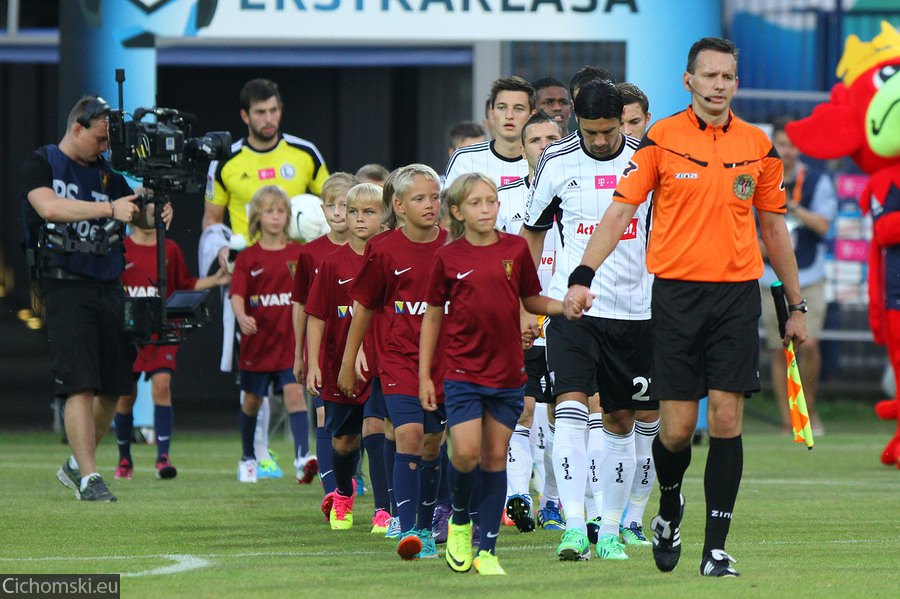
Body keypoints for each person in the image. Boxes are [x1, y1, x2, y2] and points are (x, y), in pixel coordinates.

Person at [564, 37, 807, 577]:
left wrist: (796, 305)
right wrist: (583, 276)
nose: (720, 85)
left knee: (724, 417)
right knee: (674, 431)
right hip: (674, 297)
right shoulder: (661, 139)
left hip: (737, 297)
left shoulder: (758, 145)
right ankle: (668, 505)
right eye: (710, 76)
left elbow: (774, 228)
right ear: (689, 81)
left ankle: (715, 548)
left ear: (735, 84)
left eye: (728, 77)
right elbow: (620, 212)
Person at [522, 80, 655, 562]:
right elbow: (532, 236)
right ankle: (575, 528)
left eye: (607, 131)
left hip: (636, 312)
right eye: (589, 131)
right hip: (571, 309)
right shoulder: (556, 162)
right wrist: (526, 302)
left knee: (621, 420)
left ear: (623, 119)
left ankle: (614, 529)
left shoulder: (649, 158)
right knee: (571, 409)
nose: (599, 141)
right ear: (575, 120)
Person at [420, 172, 564, 576]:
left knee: (494, 456)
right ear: (457, 211)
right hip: (462, 372)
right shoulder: (447, 257)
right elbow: (432, 318)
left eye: (491, 201)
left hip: (507, 374)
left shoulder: (516, 249)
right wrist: (424, 377)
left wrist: (561, 306)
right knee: (464, 453)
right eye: (476, 203)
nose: (486, 209)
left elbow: (530, 298)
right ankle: (461, 521)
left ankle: (487, 551)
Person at [205, 78, 329, 478]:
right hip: (251, 274)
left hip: (295, 275)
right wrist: (222, 249)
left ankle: (298, 455)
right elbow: (211, 222)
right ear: (245, 116)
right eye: (260, 112)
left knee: (295, 379)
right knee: (253, 387)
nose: (269, 118)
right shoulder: (225, 161)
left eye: (274, 110)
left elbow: (333, 205)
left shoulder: (305, 154)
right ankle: (255, 455)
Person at [22, 95, 141, 501]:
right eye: (101, 139)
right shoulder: (43, 162)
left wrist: (153, 208)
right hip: (63, 282)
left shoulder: (108, 173)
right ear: (77, 128)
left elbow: (136, 211)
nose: (105, 148)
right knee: (81, 382)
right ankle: (91, 478)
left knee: (115, 385)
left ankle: (76, 465)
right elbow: (49, 208)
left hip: (108, 281)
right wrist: (109, 208)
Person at [337, 164, 447, 560]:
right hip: (397, 361)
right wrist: (349, 362)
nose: (430, 205)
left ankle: (429, 520)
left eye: (434, 197)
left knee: (433, 444)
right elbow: (363, 306)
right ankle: (409, 528)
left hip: (442, 363)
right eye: (420, 198)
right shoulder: (382, 250)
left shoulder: (452, 245)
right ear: (398, 206)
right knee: (410, 436)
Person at [115, 219, 230, 480]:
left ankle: (163, 457)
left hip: (164, 328)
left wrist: (215, 279)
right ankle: (124, 459)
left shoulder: (170, 248)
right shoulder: (120, 248)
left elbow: (184, 285)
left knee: (162, 385)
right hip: (130, 330)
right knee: (125, 395)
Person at [496, 111, 562, 533]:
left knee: (566, 414)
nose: (544, 146)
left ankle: (553, 501)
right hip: (519, 323)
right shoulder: (500, 200)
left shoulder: (583, 190)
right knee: (520, 410)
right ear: (522, 150)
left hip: (570, 322)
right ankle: (516, 494)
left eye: (552, 138)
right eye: (534, 139)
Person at [305, 183, 385, 530]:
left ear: (385, 216)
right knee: (343, 441)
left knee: (376, 430)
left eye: (369, 211)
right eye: (353, 211)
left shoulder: (389, 256)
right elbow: (316, 315)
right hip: (339, 365)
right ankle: (342, 491)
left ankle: (385, 509)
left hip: (382, 365)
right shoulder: (331, 263)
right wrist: (312, 363)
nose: (358, 218)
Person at [760, 116, 836, 436]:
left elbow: (824, 225)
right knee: (780, 350)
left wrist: (793, 207)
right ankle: (788, 418)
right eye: (781, 143)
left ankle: (810, 412)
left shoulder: (817, 180)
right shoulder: (759, 175)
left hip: (810, 275)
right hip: (769, 278)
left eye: (792, 145)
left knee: (811, 346)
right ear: (772, 143)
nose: (787, 151)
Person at [229, 185, 304, 483]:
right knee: (252, 401)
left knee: (295, 395)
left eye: (281, 210)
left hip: (291, 344)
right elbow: (236, 295)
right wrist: (242, 316)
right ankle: (248, 458)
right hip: (257, 344)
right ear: (257, 216)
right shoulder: (248, 257)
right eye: (269, 211)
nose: (275, 216)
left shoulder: (299, 253)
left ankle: (302, 458)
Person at [292, 174, 357, 506]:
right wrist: (300, 355)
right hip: (325, 352)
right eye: (331, 205)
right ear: (322, 208)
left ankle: (351, 479)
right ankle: (332, 490)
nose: (338, 212)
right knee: (323, 417)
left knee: (364, 426)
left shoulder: (371, 250)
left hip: (362, 352)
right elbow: (302, 305)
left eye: (344, 205)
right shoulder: (311, 253)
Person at [443, 76, 535, 190]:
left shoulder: (546, 162)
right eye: (502, 107)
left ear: (532, 116)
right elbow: (449, 206)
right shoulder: (464, 159)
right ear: (492, 113)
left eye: (518, 108)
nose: (509, 116)